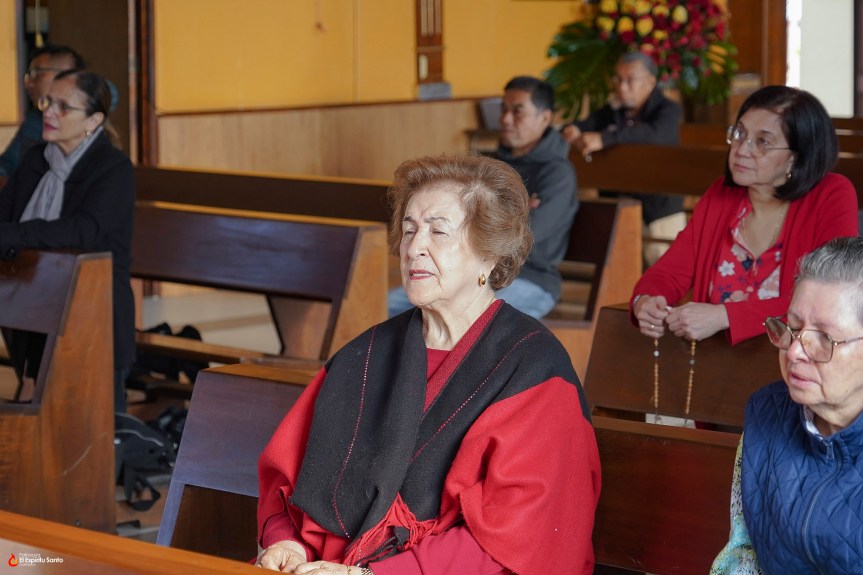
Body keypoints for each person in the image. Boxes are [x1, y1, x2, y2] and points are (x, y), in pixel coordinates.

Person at [256, 154, 600, 575]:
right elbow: (287, 479)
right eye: (409, 229)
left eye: (439, 231)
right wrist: (285, 542)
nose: (414, 246)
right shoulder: (365, 354)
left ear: (489, 253)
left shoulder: (533, 369)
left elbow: (520, 538)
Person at [631, 85, 859, 345]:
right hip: (718, 366)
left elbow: (829, 295)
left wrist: (726, 316)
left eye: (762, 142)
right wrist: (647, 300)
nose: (741, 149)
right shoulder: (722, 195)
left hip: (799, 366)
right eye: (739, 134)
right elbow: (669, 272)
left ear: (795, 158)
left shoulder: (831, 194)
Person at [710, 236, 863, 574]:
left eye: (824, 338)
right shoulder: (768, 411)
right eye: (793, 328)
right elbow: (743, 554)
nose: (794, 351)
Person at [0, 70, 135, 413]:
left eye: (63, 106)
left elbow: (84, 230)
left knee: (92, 425)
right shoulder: (36, 159)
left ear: (93, 120)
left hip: (93, 310)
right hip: (33, 299)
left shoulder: (113, 169)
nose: (48, 112)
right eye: (47, 102)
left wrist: (14, 235)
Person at [387, 77, 578, 319]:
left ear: (545, 118)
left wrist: (489, 217)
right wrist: (514, 213)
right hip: (467, 271)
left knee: (464, 320)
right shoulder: (490, 164)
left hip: (528, 279)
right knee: (384, 307)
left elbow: (527, 234)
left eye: (518, 111)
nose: (506, 119)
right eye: (504, 110)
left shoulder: (558, 173)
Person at [563, 51, 685, 265]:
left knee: (667, 267)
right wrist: (574, 129)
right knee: (621, 265)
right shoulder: (614, 109)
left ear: (650, 81)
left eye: (630, 80)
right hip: (620, 198)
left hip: (659, 203)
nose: (622, 86)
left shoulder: (668, 109)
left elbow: (654, 134)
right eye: (618, 79)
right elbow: (586, 124)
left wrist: (605, 138)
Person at [0, 45, 85, 186]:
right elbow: (8, 164)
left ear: (66, 75)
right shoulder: (34, 120)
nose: (28, 83)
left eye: (36, 74)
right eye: (28, 76)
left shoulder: (88, 119)